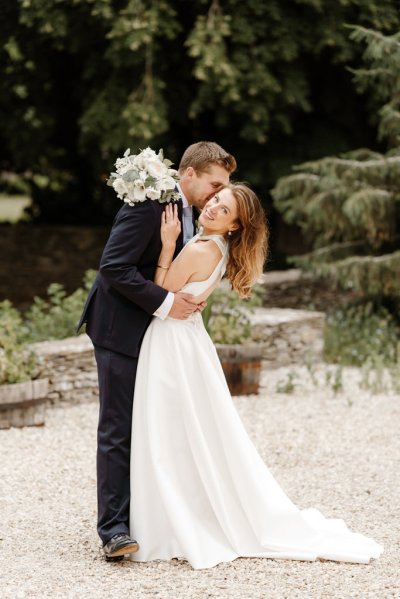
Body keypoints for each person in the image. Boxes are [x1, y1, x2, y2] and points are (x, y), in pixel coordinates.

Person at [129, 183, 383, 569]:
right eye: (215, 200)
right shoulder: (218, 249)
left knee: (168, 428)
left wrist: (167, 245)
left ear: (233, 225)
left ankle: (171, 518)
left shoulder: (198, 247)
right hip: (187, 340)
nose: (212, 207)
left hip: (172, 342)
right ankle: (179, 509)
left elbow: (160, 291)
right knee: (186, 428)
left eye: (223, 208)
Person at [77, 141, 237, 560]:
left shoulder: (198, 218)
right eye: (214, 183)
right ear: (189, 174)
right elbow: (114, 267)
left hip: (156, 335)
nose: (218, 192)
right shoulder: (149, 203)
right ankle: (113, 531)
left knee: (152, 427)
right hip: (118, 329)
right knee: (118, 427)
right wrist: (168, 304)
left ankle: (153, 518)